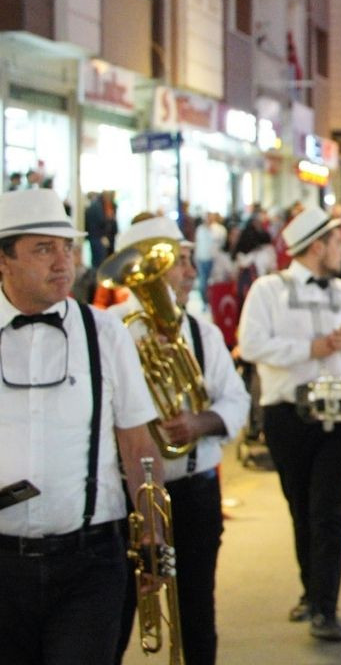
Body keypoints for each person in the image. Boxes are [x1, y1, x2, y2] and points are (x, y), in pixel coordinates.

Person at [0, 188, 165, 665]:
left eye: (67, 248)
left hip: (90, 561)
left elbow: (137, 442)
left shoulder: (104, 332)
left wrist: (153, 531)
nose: (62, 262)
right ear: (4, 260)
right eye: (43, 249)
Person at [108, 216, 250, 665]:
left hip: (193, 493)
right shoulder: (108, 330)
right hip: (125, 499)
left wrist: (199, 422)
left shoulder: (203, 332)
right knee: (112, 614)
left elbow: (237, 401)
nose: (191, 272)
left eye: (189, 261)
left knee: (195, 612)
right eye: (179, 261)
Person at [237, 205, 341, 642]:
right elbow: (250, 344)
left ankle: (325, 607)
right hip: (288, 415)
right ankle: (311, 591)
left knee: (330, 513)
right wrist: (310, 348)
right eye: (336, 242)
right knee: (301, 509)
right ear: (317, 247)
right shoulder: (266, 289)